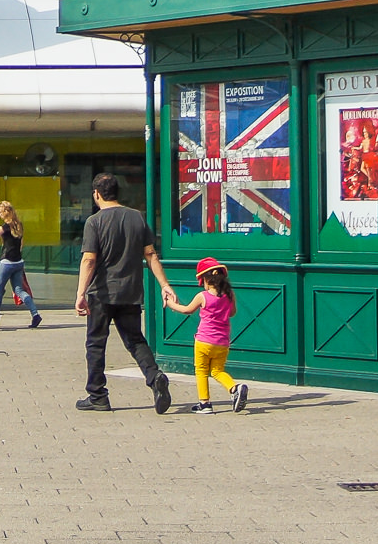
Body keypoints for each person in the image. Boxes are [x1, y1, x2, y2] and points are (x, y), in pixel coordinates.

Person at [74, 173, 179, 413]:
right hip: (130, 291)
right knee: (135, 340)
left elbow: (89, 259)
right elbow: (151, 254)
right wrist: (165, 285)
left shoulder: (94, 222)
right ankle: (155, 377)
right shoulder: (136, 217)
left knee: (96, 344)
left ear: (97, 194)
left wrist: (80, 293)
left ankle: (97, 395)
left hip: (101, 293)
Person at [165, 257, 248, 414]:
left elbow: (187, 310)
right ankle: (234, 387)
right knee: (217, 371)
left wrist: (170, 303)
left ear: (206, 279)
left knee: (201, 371)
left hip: (203, 341)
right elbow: (232, 312)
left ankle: (205, 404)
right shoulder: (229, 295)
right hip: (222, 342)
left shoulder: (202, 296)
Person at [0, 201, 43, 330]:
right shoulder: (19, 225)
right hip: (18, 262)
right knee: (19, 290)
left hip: (6, 263)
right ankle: (35, 314)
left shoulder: (4, 227)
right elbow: (21, 244)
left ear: (5, 212)